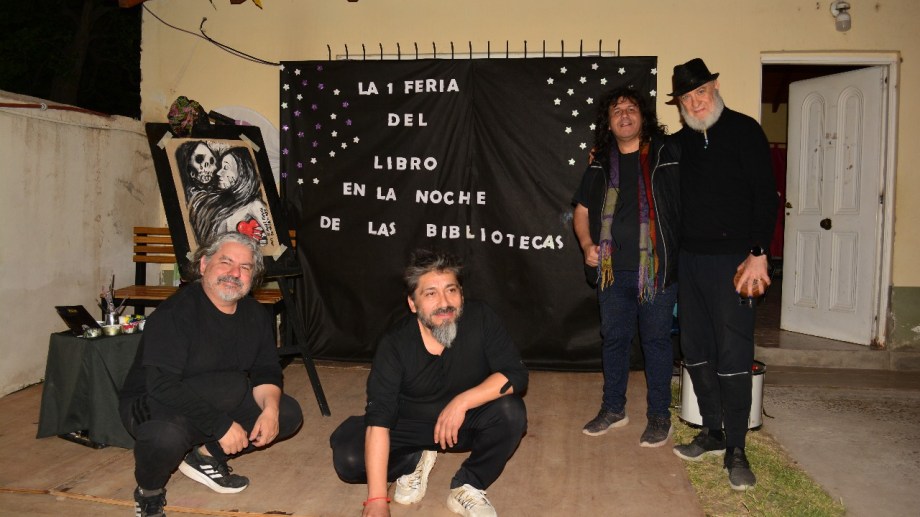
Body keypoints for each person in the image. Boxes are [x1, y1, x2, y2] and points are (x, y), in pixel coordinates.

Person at [330, 249, 528, 517]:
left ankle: (468, 484)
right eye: (431, 294)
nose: (444, 303)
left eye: (451, 290)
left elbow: (515, 374)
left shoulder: (481, 317)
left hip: (463, 423)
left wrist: (462, 402)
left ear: (461, 295)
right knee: (350, 460)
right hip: (408, 423)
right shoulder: (395, 344)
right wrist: (377, 499)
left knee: (511, 412)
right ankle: (413, 460)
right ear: (413, 304)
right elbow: (379, 420)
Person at [119, 232, 303, 517]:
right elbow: (161, 384)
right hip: (154, 402)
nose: (234, 273)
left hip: (213, 394)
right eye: (226, 262)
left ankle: (204, 456)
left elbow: (265, 370)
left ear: (253, 277)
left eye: (245, 267)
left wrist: (270, 410)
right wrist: (220, 425)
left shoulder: (255, 314)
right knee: (164, 438)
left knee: (286, 414)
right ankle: (149, 493)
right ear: (204, 265)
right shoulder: (175, 313)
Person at [668, 58, 777, 491]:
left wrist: (759, 253)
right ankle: (712, 432)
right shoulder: (679, 144)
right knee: (695, 349)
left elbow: (766, 196)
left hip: (736, 262)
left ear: (714, 88)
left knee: (733, 354)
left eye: (700, 92)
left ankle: (737, 448)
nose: (695, 103)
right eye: (686, 98)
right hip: (689, 260)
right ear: (679, 105)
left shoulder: (745, 131)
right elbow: (640, 158)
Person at [572, 86, 680, 446]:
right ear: (609, 122)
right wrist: (587, 245)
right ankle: (613, 408)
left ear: (643, 117)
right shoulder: (600, 163)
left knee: (656, 343)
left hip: (656, 271)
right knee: (614, 341)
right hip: (612, 272)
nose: (624, 115)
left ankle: (660, 416)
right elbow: (582, 211)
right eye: (616, 111)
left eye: (631, 108)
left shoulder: (666, 155)